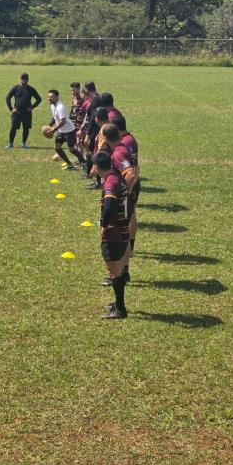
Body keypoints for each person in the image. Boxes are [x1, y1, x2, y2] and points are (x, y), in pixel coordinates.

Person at [91, 150, 131, 320]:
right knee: (118, 270)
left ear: (98, 167)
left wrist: (104, 225)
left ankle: (120, 309)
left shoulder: (110, 183)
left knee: (114, 270)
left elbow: (109, 205)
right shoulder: (117, 176)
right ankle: (117, 304)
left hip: (113, 233)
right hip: (122, 229)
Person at [109, 118, 141, 283]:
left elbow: (130, 172)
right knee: (127, 225)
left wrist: (124, 192)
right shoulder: (130, 140)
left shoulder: (122, 148)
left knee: (122, 231)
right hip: (131, 188)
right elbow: (136, 168)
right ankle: (123, 268)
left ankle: (122, 270)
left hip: (127, 190)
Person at [47, 89, 86, 170]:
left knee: (71, 149)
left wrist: (54, 129)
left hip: (69, 131)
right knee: (57, 148)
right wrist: (49, 125)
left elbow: (63, 121)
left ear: (57, 97)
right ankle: (69, 164)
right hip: (61, 131)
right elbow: (55, 117)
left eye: (51, 97)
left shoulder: (60, 107)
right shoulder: (52, 106)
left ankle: (84, 163)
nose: (49, 98)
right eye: (49, 97)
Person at [5, 73, 42, 149]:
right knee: (13, 128)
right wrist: (11, 109)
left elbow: (39, 99)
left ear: (28, 79)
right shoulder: (15, 88)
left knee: (26, 128)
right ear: (20, 79)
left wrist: (32, 107)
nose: (24, 80)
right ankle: (10, 143)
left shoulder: (31, 89)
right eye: (23, 78)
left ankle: (23, 143)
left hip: (27, 113)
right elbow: (7, 98)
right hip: (16, 112)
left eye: (25, 79)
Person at [81, 81, 102, 180]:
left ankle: (98, 180)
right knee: (90, 152)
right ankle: (89, 173)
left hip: (94, 131)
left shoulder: (95, 100)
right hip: (94, 130)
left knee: (95, 155)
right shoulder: (96, 98)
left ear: (86, 89)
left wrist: (88, 135)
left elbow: (94, 119)